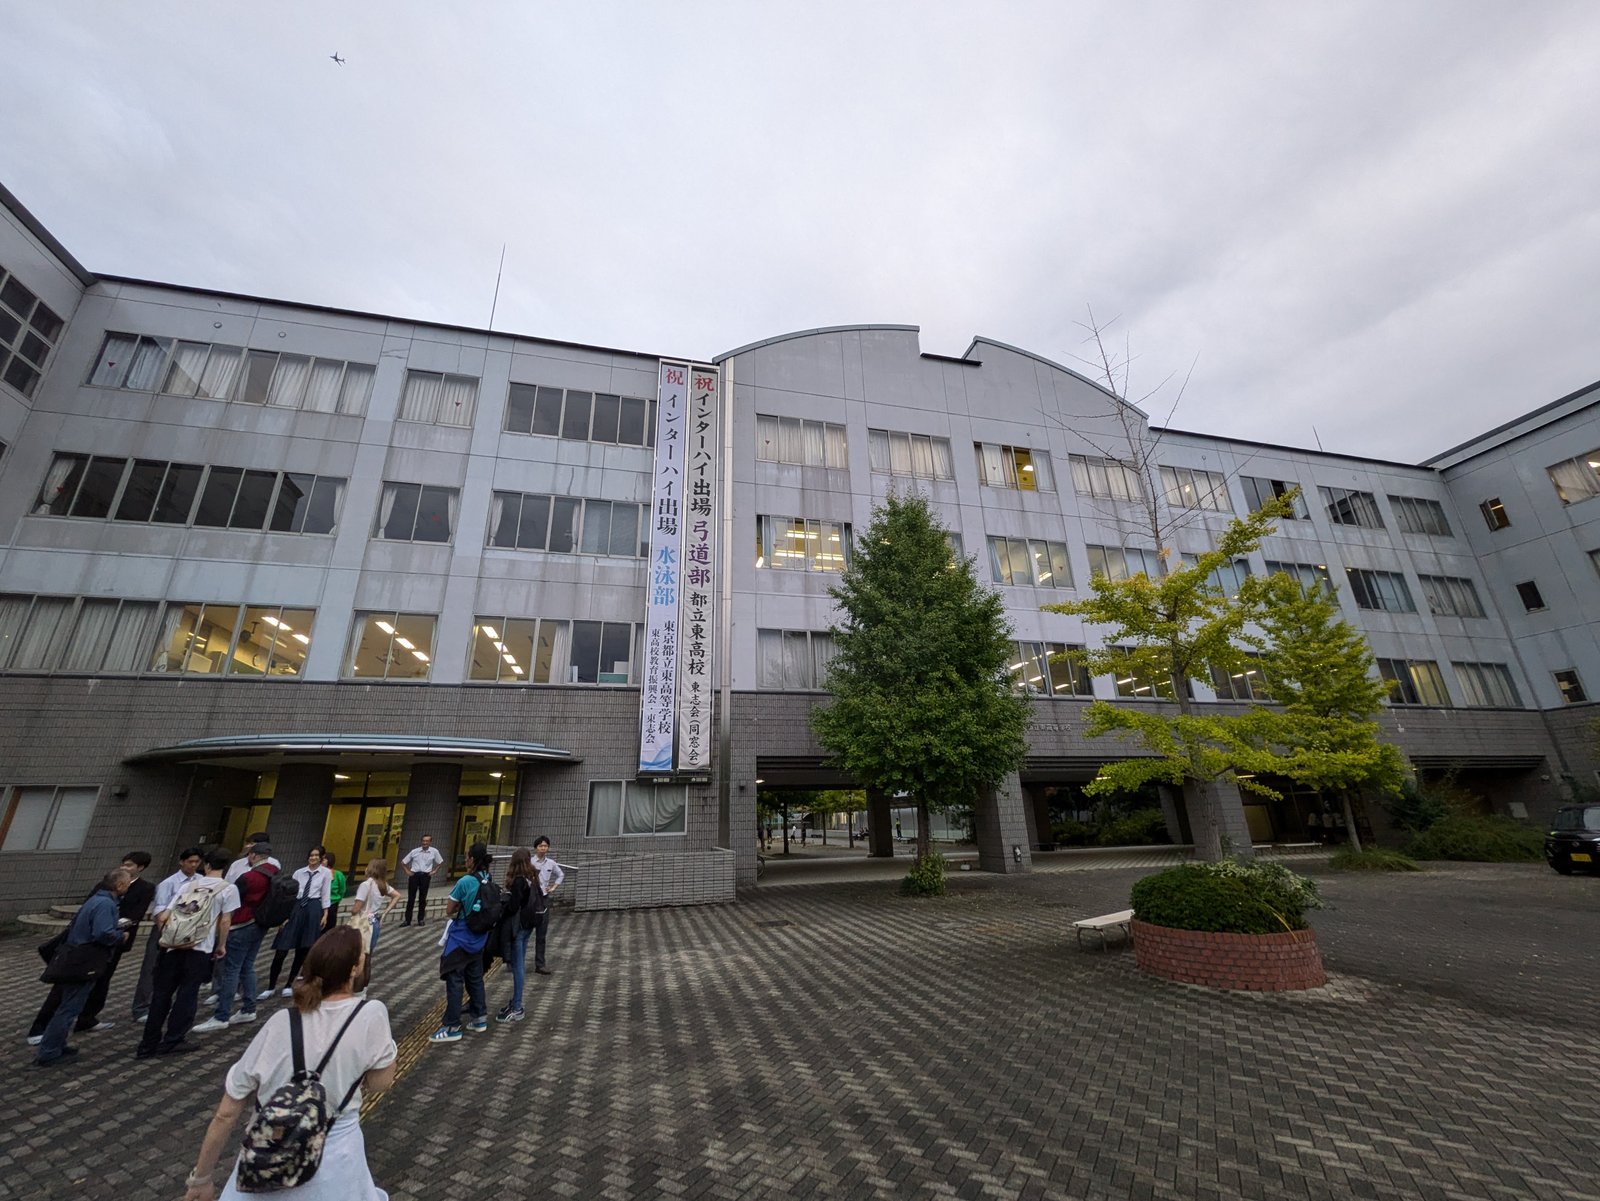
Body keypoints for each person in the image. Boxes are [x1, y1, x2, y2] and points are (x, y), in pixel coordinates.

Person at [181, 926, 397, 1201]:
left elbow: (227, 1112)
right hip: (336, 1165)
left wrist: (201, 1179)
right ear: (354, 969)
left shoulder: (281, 1021)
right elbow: (380, 1083)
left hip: (266, 1162)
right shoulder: (371, 1014)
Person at [28, 851, 153, 1044]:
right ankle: (40, 1028)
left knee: (101, 981)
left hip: (113, 943)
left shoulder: (145, 888)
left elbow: (135, 914)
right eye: (124, 864)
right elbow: (90, 912)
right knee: (65, 987)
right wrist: (112, 927)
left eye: (129, 865)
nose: (124, 868)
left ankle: (87, 1018)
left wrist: (118, 930)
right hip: (88, 945)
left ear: (141, 868)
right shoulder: (106, 886)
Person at [137, 849, 237, 1059]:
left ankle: (147, 1044)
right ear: (225, 867)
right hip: (200, 947)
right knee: (187, 994)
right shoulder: (228, 889)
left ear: (206, 865)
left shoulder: (188, 886)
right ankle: (173, 1040)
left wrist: (168, 937)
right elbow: (225, 921)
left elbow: (163, 916)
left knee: (161, 994)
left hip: (172, 947)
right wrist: (221, 945)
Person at [35, 867, 133, 1067]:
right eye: (127, 882)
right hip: (83, 962)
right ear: (119, 885)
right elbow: (102, 933)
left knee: (67, 1006)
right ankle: (49, 1050)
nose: (129, 886)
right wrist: (120, 936)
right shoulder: (105, 904)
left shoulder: (96, 900)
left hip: (75, 958)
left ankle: (56, 1044)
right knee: (69, 1008)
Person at [193, 844, 278, 1033]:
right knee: (247, 967)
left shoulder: (249, 877)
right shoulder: (274, 872)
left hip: (241, 925)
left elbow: (232, 903)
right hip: (260, 924)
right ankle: (249, 1008)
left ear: (253, 855)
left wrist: (221, 938)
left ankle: (221, 1015)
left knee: (231, 970)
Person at [429, 842, 492, 1044]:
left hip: (461, 936)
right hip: (479, 937)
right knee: (475, 978)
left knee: (455, 979)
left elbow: (450, 909)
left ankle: (452, 1026)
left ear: (472, 859)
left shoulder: (465, 881)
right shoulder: (487, 878)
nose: (465, 860)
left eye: (467, 857)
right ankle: (479, 1018)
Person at [133, 846, 203, 1021]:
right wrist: (165, 933)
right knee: (151, 968)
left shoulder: (201, 881)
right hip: (165, 930)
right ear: (181, 862)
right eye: (190, 861)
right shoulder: (169, 883)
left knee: (177, 969)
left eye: (197, 862)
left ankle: (164, 1006)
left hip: (188, 931)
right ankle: (141, 1007)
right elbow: (159, 910)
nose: (193, 865)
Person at [261, 845, 332, 998]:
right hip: (296, 906)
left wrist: (325, 913)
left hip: (313, 907)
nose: (313, 858)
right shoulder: (299, 872)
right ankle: (271, 986)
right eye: (311, 855)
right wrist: (284, 915)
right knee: (282, 948)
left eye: (316, 855)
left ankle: (289, 984)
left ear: (321, 857)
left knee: (303, 948)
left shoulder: (325, 873)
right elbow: (290, 893)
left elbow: (325, 893)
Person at [495, 848, 536, 1023]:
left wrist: (505, 901)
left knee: (518, 966)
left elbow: (513, 907)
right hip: (528, 925)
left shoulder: (519, 881)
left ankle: (517, 1007)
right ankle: (515, 1003)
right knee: (520, 964)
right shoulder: (532, 877)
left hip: (518, 926)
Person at [349, 858, 400, 954]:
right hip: (374, 920)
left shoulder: (365, 885)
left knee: (358, 953)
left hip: (362, 921)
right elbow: (397, 895)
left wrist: (351, 911)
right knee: (368, 952)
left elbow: (356, 908)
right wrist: (384, 913)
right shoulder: (383, 885)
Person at [530, 835, 564, 977]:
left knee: (542, 933)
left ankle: (540, 964)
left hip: (544, 898)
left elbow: (561, 874)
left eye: (545, 846)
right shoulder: (530, 862)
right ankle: (513, 961)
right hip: (530, 899)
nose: (543, 848)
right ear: (535, 848)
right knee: (524, 932)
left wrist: (553, 887)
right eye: (540, 846)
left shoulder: (551, 863)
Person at [399, 835, 444, 926]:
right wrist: (407, 871)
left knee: (422, 898)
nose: (425, 843)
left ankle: (421, 919)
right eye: (423, 841)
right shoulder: (414, 851)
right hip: (414, 875)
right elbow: (403, 862)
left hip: (425, 876)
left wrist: (434, 871)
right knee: (411, 898)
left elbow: (440, 862)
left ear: (430, 842)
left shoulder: (434, 851)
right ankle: (407, 920)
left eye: (427, 841)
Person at [325, 852, 347, 927]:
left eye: (324, 859)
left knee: (330, 926)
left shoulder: (338, 875)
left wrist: (337, 899)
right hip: (319, 903)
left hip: (332, 903)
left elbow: (342, 890)